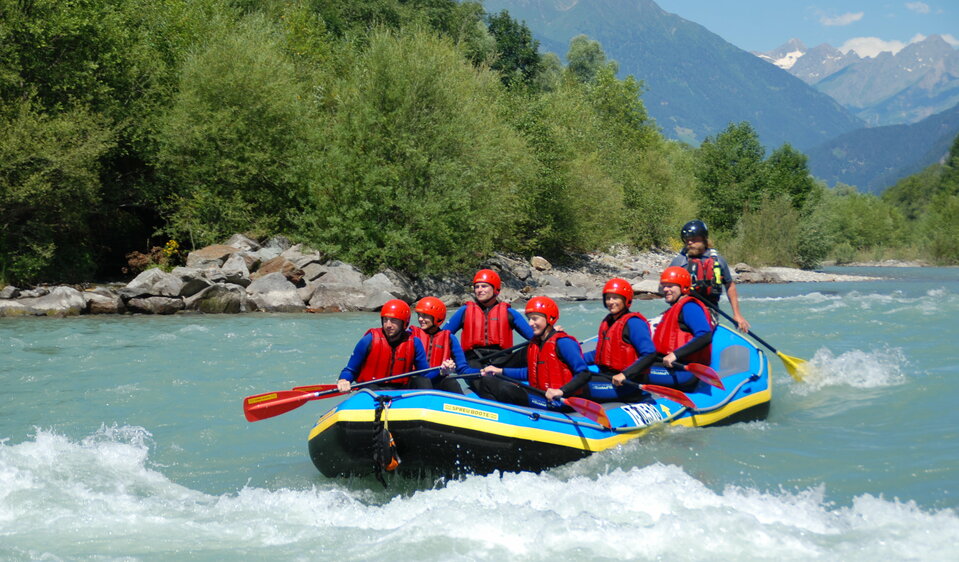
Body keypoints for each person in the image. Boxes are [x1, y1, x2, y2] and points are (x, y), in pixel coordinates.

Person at [474, 297, 591, 410]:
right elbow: (531, 373)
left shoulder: (564, 343)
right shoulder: (536, 344)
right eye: (529, 319)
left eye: (535, 318)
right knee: (488, 380)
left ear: (549, 318)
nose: (530, 323)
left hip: (557, 401)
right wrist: (500, 371)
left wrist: (561, 391)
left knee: (502, 388)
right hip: (540, 396)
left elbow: (584, 374)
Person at [611, 267, 715, 391]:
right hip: (668, 366)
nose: (665, 289)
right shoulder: (673, 309)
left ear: (683, 287)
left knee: (631, 372)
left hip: (683, 371)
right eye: (664, 286)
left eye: (670, 286)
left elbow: (705, 335)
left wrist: (675, 355)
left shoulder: (689, 307)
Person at [578, 278, 657, 402]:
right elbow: (599, 353)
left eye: (615, 298)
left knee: (577, 385)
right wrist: (575, 360)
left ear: (626, 300)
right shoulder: (609, 321)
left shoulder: (634, 323)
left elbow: (649, 354)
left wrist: (625, 374)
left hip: (625, 383)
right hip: (606, 377)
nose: (611, 302)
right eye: (608, 298)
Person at [336, 299, 436, 393]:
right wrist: (343, 380)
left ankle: (428, 406)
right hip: (372, 389)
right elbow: (350, 370)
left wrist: (443, 371)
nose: (388, 325)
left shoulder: (414, 343)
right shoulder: (369, 340)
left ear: (404, 323)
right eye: (385, 320)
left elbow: (425, 374)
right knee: (372, 388)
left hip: (401, 390)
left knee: (421, 380)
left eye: (393, 320)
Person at [442, 269, 534, 369]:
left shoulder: (509, 313)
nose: (479, 290)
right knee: (478, 371)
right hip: (473, 359)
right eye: (477, 287)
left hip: (501, 359)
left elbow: (535, 337)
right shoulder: (464, 311)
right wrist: (453, 356)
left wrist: (550, 333)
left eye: (484, 286)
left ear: (496, 289)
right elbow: (441, 337)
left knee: (527, 351)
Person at [670, 219, 750, 333]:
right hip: (682, 309)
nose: (689, 243)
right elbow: (665, 288)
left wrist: (737, 315)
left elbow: (730, 286)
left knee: (698, 324)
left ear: (703, 239)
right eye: (687, 240)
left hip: (708, 310)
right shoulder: (679, 262)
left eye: (693, 240)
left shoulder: (718, 261)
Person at [409, 296, 474, 394]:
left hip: (437, 380)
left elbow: (463, 368)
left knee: (451, 382)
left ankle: (460, 406)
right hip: (415, 381)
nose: (421, 319)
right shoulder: (410, 334)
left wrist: (482, 372)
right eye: (419, 315)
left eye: (425, 316)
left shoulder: (449, 338)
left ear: (437, 318)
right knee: (423, 382)